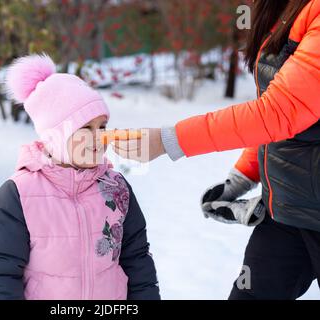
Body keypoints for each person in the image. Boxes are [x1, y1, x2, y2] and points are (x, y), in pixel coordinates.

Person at [114, 0, 320, 299]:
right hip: (288, 214)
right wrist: (241, 177)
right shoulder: (285, 8)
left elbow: (278, 113)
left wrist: (167, 140)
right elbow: (286, 119)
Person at [0, 54, 160, 300]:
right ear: (55, 137)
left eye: (102, 127)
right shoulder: (18, 196)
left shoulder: (116, 189)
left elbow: (137, 259)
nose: (99, 138)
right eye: (85, 128)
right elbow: (0, 274)